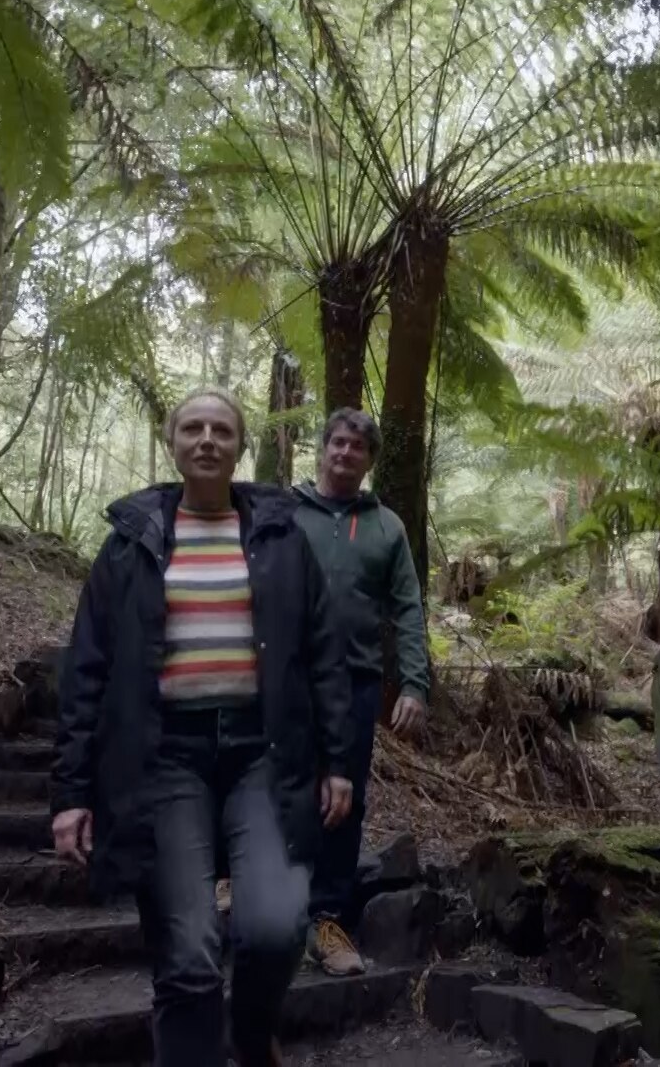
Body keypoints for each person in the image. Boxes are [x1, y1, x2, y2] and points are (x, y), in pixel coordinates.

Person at [49, 389, 355, 1067]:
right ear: (172, 442)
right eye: (193, 428)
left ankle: (249, 1036)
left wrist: (339, 760)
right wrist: (71, 791)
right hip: (165, 758)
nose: (208, 439)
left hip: (262, 755)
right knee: (188, 956)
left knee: (276, 927)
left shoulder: (282, 540)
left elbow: (324, 654)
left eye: (222, 429)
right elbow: (87, 670)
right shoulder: (130, 545)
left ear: (241, 446)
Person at [291, 408, 431, 976]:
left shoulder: (386, 527)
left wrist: (415, 684)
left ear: (370, 461)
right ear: (323, 449)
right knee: (273, 788)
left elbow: (408, 607)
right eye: (338, 444)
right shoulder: (284, 513)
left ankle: (326, 919)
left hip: (355, 680)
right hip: (285, 678)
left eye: (358, 448)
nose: (346, 454)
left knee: (342, 803)